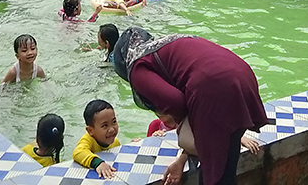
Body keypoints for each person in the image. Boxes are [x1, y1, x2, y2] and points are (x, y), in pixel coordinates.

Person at [113, 27, 268, 185]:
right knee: (226, 164)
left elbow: (175, 102)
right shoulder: (164, 44)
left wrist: (185, 127)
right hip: (242, 75)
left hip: (216, 87)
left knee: (215, 175)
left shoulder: (137, 66)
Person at [147, 114, 261, 154]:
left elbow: (213, 128)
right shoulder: (156, 125)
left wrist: (238, 136)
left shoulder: (187, 121)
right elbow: (149, 147)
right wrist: (154, 137)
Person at [72, 99, 121, 178]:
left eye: (114, 122)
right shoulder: (88, 139)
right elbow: (78, 152)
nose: (112, 129)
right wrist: (98, 163)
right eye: (105, 126)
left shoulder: (115, 142)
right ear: (90, 130)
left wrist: (133, 145)